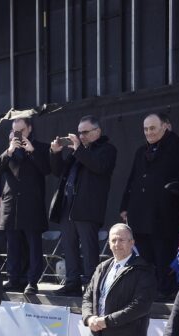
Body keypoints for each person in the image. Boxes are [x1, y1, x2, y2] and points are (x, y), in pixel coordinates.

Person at [119, 113, 179, 298]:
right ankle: (148, 291)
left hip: (166, 213)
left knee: (164, 254)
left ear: (165, 126)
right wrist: (124, 206)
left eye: (152, 128)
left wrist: (173, 191)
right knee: (144, 256)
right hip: (140, 213)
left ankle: (166, 291)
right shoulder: (141, 151)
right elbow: (132, 179)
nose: (148, 132)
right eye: (145, 129)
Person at [49, 115, 118, 296]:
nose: (82, 136)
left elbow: (99, 167)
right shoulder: (77, 152)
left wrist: (79, 149)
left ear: (97, 131)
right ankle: (72, 283)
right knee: (69, 246)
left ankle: (91, 286)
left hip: (88, 207)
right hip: (68, 205)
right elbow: (58, 172)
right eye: (79, 133)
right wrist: (55, 153)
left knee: (89, 249)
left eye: (85, 132)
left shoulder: (107, 149)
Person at [0, 117, 50, 294]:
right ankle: (13, 278)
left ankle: (32, 281)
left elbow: (47, 170)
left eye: (22, 130)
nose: (19, 134)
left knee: (33, 245)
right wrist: (9, 150)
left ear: (29, 129)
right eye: (15, 131)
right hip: (11, 206)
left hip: (31, 204)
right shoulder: (9, 150)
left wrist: (31, 151)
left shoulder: (40, 147)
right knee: (13, 245)